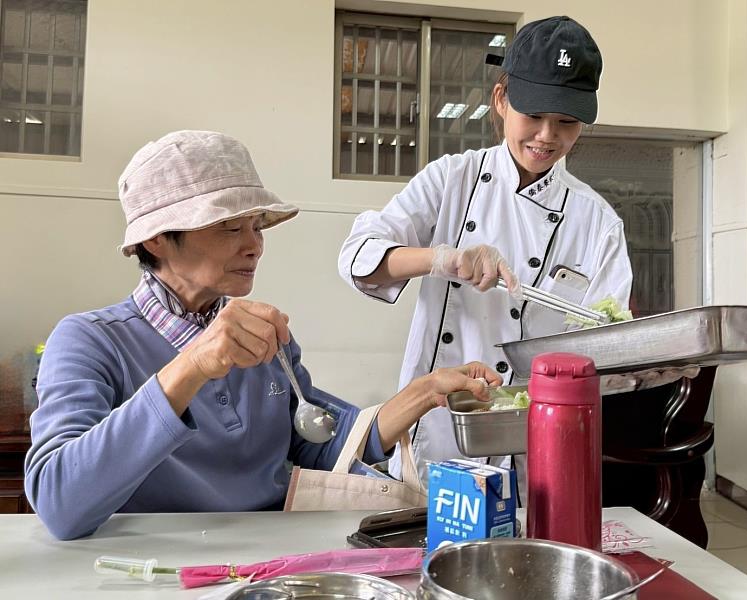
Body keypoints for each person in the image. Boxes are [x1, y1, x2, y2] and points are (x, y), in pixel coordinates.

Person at [24, 130, 501, 540]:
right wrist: (192, 365)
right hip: (153, 574)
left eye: (256, 225)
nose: (254, 244)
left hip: (268, 567)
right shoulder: (89, 341)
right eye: (230, 226)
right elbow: (61, 502)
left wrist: (424, 391)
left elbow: (322, 441)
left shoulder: (264, 338)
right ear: (156, 239)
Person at [338, 16, 633, 486]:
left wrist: (648, 358)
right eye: (533, 115)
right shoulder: (452, 179)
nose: (547, 136)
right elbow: (358, 257)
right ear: (501, 99)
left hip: (538, 441)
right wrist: (444, 259)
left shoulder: (597, 222)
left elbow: (606, 345)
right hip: (440, 428)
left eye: (566, 122)